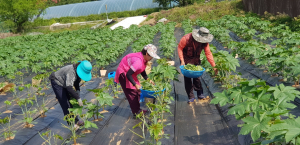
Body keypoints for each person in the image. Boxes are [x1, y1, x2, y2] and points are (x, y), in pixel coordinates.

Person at [115, 44, 160, 117]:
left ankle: (137, 110)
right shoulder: (138, 62)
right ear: (146, 54)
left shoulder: (143, 58)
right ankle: (136, 112)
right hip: (124, 73)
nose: (152, 58)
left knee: (137, 92)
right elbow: (128, 74)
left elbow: (142, 70)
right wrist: (135, 84)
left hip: (130, 72)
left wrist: (147, 79)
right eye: (151, 56)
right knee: (132, 93)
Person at [178, 27, 218, 104]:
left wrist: (214, 66)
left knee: (197, 77)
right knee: (188, 77)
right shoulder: (186, 39)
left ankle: (200, 94)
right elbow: (180, 48)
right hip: (185, 58)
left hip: (196, 58)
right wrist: (182, 60)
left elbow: (208, 53)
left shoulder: (205, 42)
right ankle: (191, 97)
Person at [49, 60, 92, 129]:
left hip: (65, 84)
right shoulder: (71, 72)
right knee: (65, 103)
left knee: (71, 102)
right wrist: (78, 98)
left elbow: (76, 82)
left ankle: (76, 120)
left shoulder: (77, 72)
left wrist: (77, 90)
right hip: (57, 82)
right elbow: (69, 87)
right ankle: (72, 124)